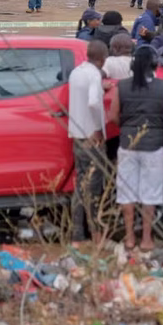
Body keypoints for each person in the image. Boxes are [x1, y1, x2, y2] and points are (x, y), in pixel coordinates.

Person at [109, 45, 163, 251]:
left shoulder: (122, 87)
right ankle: (147, 238)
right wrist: (158, 128)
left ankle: (130, 238)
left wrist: (127, 127)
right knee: (151, 193)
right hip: (153, 146)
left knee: (126, 192)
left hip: (128, 145)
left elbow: (113, 116)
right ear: (155, 64)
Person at [68, 40, 109, 242]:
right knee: (93, 187)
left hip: (76, 135)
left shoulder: (77, 72)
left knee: (80, 183)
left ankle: (77, 231)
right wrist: (98, 129)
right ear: (103, 59)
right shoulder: (94, 75)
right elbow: (93, 102)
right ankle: (95, 233)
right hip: (91, 137)